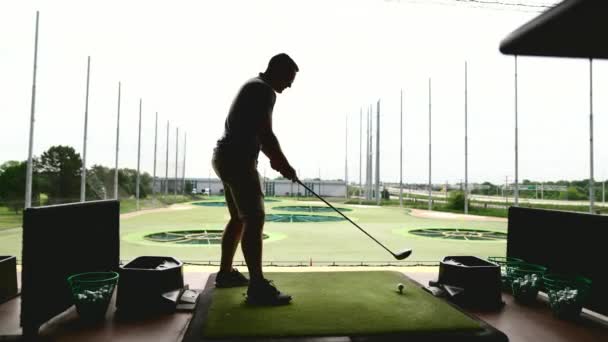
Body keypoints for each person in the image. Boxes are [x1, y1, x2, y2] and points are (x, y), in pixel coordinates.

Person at [211, 53, 299, 305]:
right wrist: (283, 163)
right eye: (289, 78)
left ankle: (226, 274)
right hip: (237, 160)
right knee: (255, 217)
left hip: (224, 157)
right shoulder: (263, 90)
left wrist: (277, 160)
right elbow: (266, 133)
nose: (290, 85)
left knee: (239, 218)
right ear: (276, 70)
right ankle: (257, 286)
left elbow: (258, 134)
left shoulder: (254, 86)